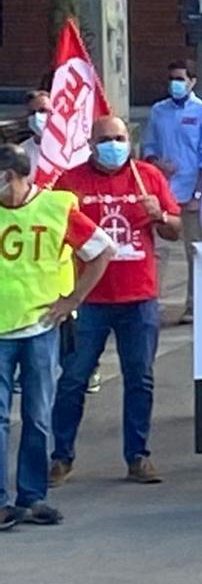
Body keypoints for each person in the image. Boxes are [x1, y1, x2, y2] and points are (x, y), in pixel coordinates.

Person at [48, 115, 181, 488]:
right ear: (90, 144)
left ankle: (137, 456)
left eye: (119, 138)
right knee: (73, 379)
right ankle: (61, 457)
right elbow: (55, 235)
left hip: (139, 298)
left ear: (130, 141)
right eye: (105, 139)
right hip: (90, 299)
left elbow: (173, 230)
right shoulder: (71, 181)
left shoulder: (148, 177)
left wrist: (160, 215)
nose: (113, 144)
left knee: (140, 379)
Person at [0, 144, 114, 531]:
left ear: (13, 176)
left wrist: (74, 299)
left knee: (36, 415)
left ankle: (31, 497)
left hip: (39, 328)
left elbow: (102, 250)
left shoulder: (55, 208)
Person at [141, 59, 202, 327]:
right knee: (159, 251)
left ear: (192, 81)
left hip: (190, 190)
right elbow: (148, 146)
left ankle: (194, 305)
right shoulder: (158, 111)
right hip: (162, 190)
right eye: (172, 78)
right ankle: (151, 303)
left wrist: (199, 194)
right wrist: (156, 162)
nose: (175, 83)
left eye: (180, 78)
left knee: (194, 250)